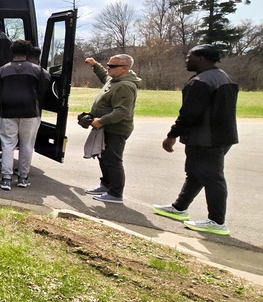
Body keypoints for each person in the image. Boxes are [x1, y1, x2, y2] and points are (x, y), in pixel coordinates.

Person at [153, 45, 239, 236]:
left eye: (190, 56)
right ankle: (179, 207)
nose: (186, 59)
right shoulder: (223, 77)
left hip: (206, 138)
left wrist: (172, 135)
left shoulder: (201, 81)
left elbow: (189, 114)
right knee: (195, 173)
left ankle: (217, 222)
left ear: (201, 59)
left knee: (213, 177)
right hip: (222, 136)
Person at [0, 40, 50, 190]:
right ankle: (23, 177)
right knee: (27, 145)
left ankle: (6, 178)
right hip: (30, 112)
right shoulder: (38, 70)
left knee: (8, 144)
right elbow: (44, 89)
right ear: (28, 53)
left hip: (7, 112)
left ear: (12, 52)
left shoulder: (2, 70)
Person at [82, 54, 140, 204]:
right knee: (103, 158)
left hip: (116, 129)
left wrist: (101, 121)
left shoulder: (125, 85)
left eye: (112, 66)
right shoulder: (115, 80)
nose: (108, 67)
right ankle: (106, 185)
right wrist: (95, 65)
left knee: (113, 160)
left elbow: (122, 111)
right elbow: (104, 76)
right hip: (106, 128)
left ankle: (116, 193)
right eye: (108, 64)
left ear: (124, 68)